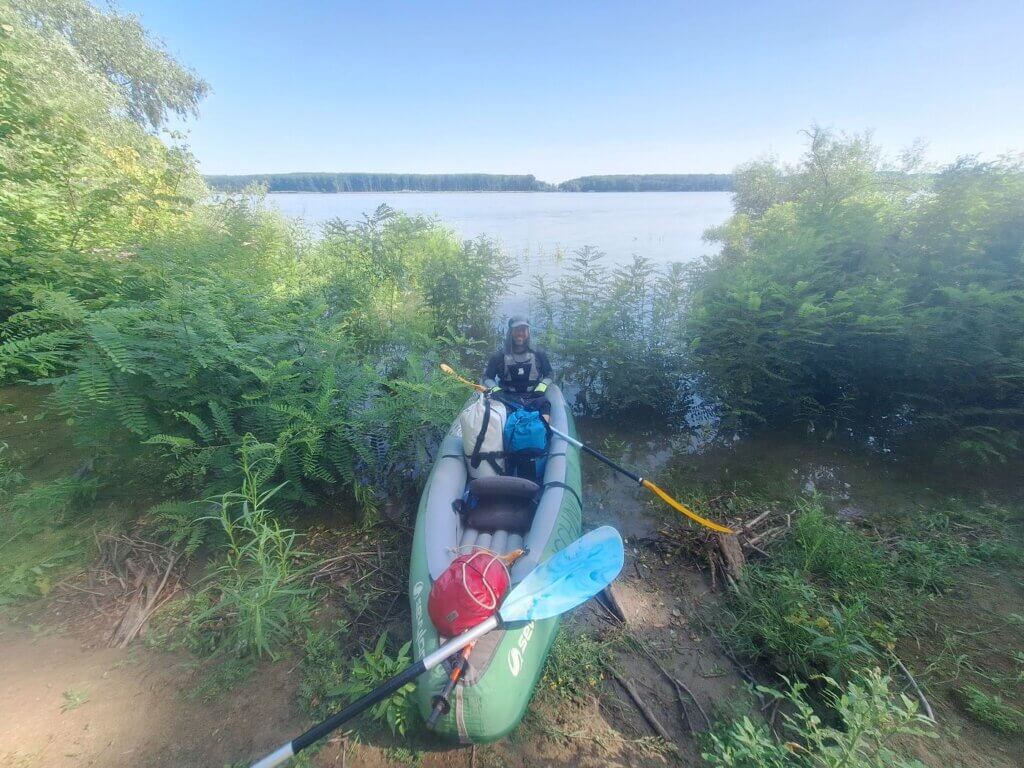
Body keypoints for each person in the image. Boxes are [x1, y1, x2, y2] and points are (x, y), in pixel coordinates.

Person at [482, 315, 552, 417]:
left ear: (528, 332)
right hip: (506, 399)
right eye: (517, 330)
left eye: (523, 330)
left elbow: (549, 373)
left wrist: (543, 385)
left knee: (545, 405)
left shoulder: (539, 353)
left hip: (534, 396)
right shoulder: (499, 356)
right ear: (510, 332)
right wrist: (495, 389)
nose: (520, 333)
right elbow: (487, 377)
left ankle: (545, 430)